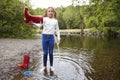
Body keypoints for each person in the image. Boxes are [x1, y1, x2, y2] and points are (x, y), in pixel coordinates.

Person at [27, 7, 61, 72]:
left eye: (51, 11)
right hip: (44, 37)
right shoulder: (44, 19)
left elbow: (57, 30)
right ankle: (44, 66)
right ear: (46, 12)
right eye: (49, 11)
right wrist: (33, 24)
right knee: (45, 53)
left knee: (51, 53)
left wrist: (59, 38)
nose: (50, 12)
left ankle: (51, 66)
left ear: (53, 13)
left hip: (51, 37)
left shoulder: (55, 21)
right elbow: (38, 26)